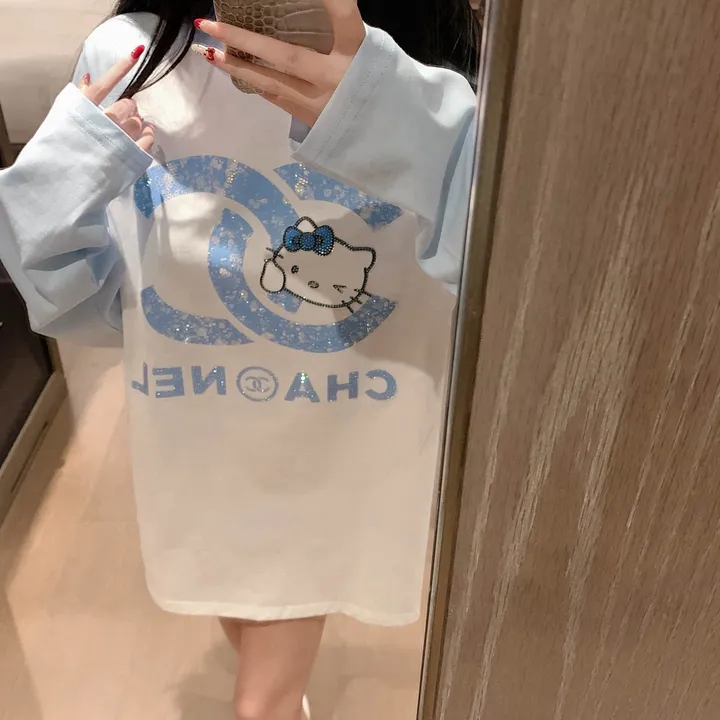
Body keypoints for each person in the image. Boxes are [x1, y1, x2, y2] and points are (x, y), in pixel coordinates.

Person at [0, 1, 479, 718]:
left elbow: (503, 262)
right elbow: (93, 305)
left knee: (261, 695)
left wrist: (396, 111)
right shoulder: (131, 59)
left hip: (352, 425)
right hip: (206, 427)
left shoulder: (430, 62)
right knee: (241, 590)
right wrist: (67, 174)